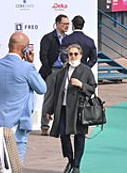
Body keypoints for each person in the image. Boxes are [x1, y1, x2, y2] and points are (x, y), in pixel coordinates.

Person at [0, 32, 47, 160]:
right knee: (16, 164)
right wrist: (31, 64)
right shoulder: (27, 68)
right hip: (18, 124)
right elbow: (41, 88)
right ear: (24, 49)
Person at [45, 44, 97, 173]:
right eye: (70, 54)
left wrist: (81, 85)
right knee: (64, 135)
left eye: (75, 54)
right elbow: (55, 92)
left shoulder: (85, 70)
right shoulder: (62, 71)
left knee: (79, 136)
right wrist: (50, 110)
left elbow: (92, 87)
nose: (73, 56)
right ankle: (70, 160)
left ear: (81, 55)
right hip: (63, 108)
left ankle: (77, 165)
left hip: (79, 109)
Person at [39, 14, 71, 135]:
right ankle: (45, 125)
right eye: (64, 24)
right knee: (49, 98)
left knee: (65, 98)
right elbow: (43, 55)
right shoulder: (48, 38)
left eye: (68, 24)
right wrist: (48, 70)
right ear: (57, 24)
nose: (66, 26)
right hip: (52, 70)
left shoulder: (69, 39)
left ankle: (62, 125)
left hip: (65, 70)